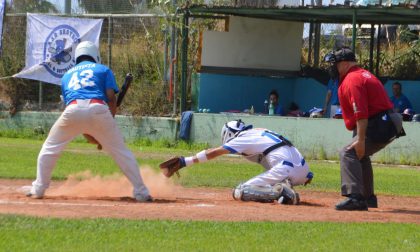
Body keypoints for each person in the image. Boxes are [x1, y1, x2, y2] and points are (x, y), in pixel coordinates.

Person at [25, 41, 152, 202]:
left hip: (72, 110)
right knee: (121, 153)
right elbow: (111, 99)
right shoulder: (103, 69)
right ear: (95, 55)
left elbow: (78, 116)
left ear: (77, 57)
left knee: (49, 148)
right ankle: (141, 192)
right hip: (98, 108)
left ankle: (38, 189)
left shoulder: (66, 75)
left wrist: (93, 135)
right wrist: (106, 127)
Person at [160, 119, 314, 205]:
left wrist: (184, 161)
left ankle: (283, 193)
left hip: (285, 168)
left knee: (241, 191)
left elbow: (213, 153)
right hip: (304, 171)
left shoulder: (242, 138)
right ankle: (284, 188)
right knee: (268, 177)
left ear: (228, 134)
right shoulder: (257, 132)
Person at [325, 47, 404, 211]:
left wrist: (360, 140)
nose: (332, 67)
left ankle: (356, 198)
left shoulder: (352, 79)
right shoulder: (360, 74)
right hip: (385, 120)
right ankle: (369, 199)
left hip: (381, 122)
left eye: (335, 63)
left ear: (345, 63)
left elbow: (361, 113)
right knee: (360, 155)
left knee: (348, 152)